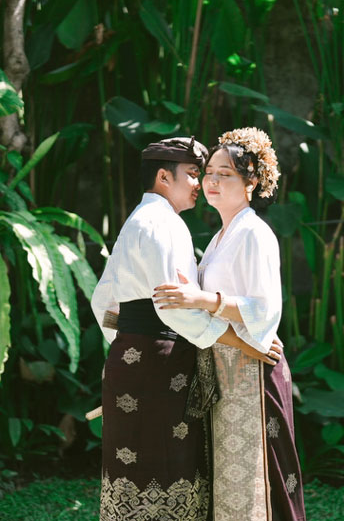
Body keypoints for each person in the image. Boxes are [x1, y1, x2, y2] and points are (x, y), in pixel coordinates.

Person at [91, 136, 281, 521]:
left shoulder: (139, 220)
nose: (202, 183)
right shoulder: (166, 223)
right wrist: (239, 341)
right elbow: (176, 310)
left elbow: (103, 302)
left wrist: (126, 344)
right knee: (165, 470)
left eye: (214, 173)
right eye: (196, 173)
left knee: (131, 471)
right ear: (164, 177)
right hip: (162, 359)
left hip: (131, 357)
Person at [153, 127, 306, 521]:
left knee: (256, 480)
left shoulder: (254, 233)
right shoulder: (223, 235)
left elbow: (265, 307)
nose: (212, 182)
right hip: (224, 365)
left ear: (251, 183)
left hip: (252, 365)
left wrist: (200, 299)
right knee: (229, 482)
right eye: (208, 173)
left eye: (226, 174)